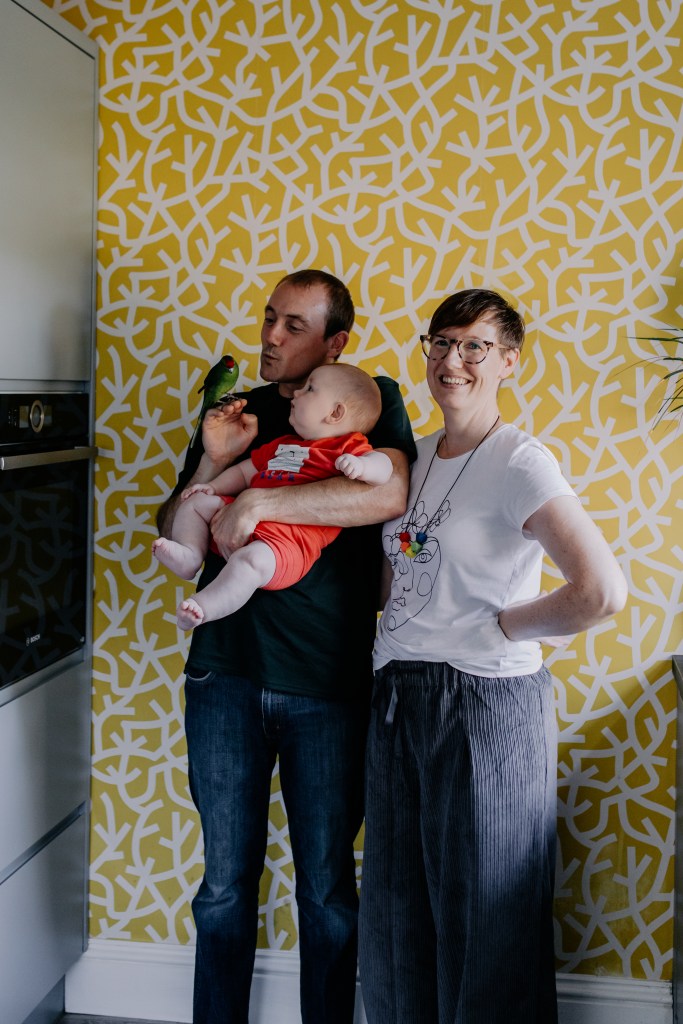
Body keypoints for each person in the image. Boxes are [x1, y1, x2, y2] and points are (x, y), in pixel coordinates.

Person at [358, 288, 628, 1024]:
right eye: (440, 342)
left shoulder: (519, 461)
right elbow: (399, 578)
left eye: (474, 346)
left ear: (507, 362)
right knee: (394, 913)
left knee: (487, 918)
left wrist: (506, 627)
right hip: (395, 697)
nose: (453, 360)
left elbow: (600, 590)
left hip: (483, 702)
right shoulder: (408, 461)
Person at [156, 268, 415, 1024]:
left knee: (329, 891)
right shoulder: (238, 412)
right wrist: (212, 457)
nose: (270, 336)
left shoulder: (370, 400)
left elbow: (387, 492)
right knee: (223, 889)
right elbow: (181, 513)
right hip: (223, 677)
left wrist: (266, 499)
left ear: (336, 341)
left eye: (294, 325)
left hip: (326, 685)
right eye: (270, 317)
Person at [152, 363, 392, 630]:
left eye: (310, 389)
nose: (297, 394)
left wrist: (364, 467)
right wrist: (214, 487)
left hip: (286, 545)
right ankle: (190, 556)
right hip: (238, 520)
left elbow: (385, 471)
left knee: (250, 562)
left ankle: (203, 608)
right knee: (196, 504)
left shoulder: (347, 446)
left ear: (335, 413)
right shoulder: (283, 443)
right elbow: (244, 473)